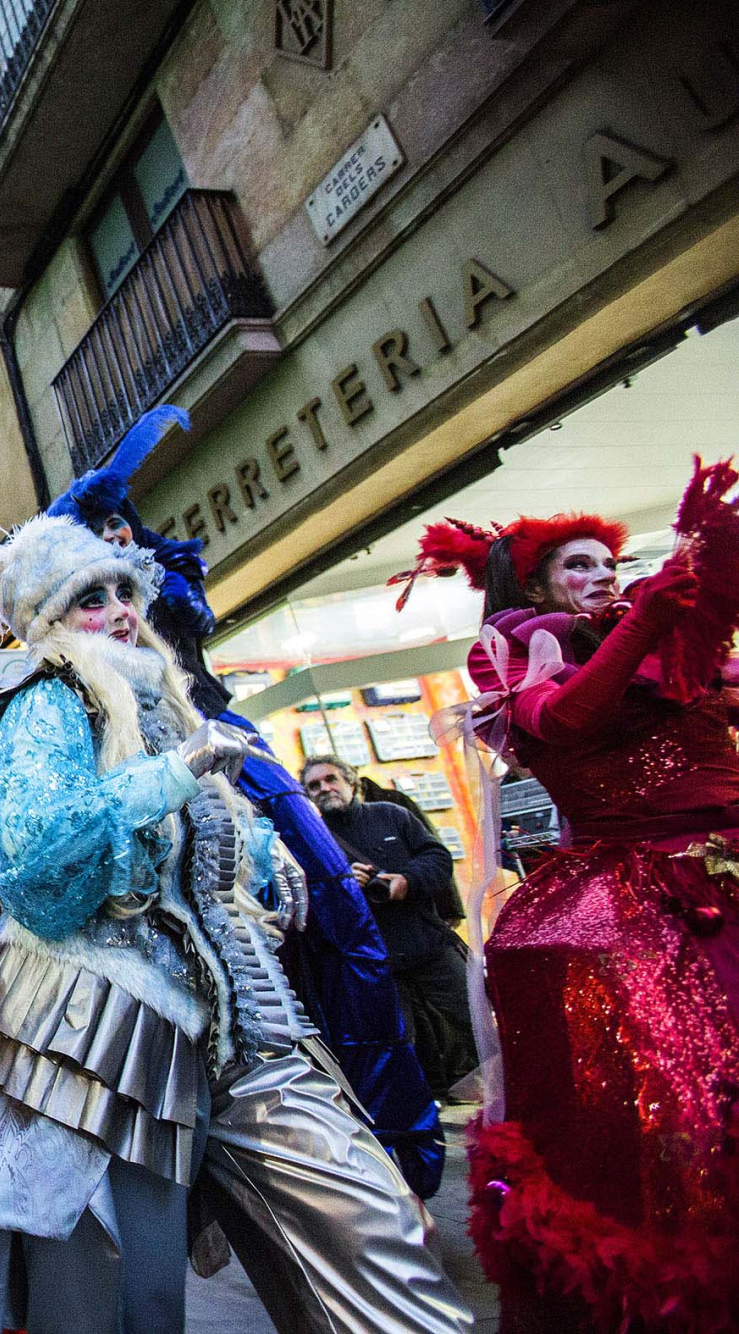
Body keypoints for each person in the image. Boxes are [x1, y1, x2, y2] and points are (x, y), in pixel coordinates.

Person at [0, 515, 471, 1334]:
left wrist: (263, 860)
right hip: (105, 1032)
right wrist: (173, 777)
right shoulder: (49, 701)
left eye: (124, 593)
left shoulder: (167, 708)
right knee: (118, 1287)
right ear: (48, 624)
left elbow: (214, 845)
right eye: (89, 599)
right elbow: (31, 861)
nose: (118, 610)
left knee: (376, 1227)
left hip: (243, 1024)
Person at [47, 403, 447, 1198]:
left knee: (339, 920)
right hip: (136, 770)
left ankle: (396, 1149)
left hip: (224, 744)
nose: (119, 606)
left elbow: (187, 609)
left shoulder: (155, 587)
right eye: (97, 543)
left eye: (123, 529)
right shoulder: (62, 675)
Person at [395, 474, 739, 1333]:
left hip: (723, 879)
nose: (600, 574)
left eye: (608, 561)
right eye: (577, 564)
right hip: (629, 909)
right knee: (671, 1115)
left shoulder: (649, 640)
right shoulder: (512, 651)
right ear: (537, 584)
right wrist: (652, 619)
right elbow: (569, 722)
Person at [303, 756, 478, 1095]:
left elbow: (438, 859)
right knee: (398, 1045)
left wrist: (407, 881)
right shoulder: (313, 839)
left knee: (474, 1020)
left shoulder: (391, 815)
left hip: (428, 946)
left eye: (331, 779)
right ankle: (424, 1113)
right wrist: (340, 884)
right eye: (315, 785)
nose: (325, 788)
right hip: (376, 962)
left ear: (350, 782)